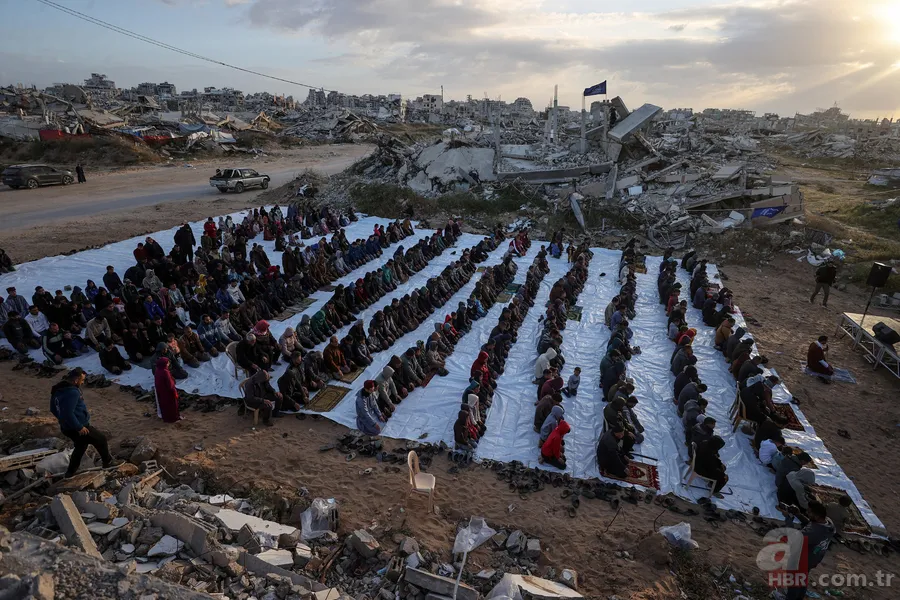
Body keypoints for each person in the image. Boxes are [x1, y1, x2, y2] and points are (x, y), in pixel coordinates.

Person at [50, 368, 117, 477]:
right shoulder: (72, 392)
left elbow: (53, 409)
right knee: (101, 439)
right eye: (82, 380)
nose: (83, 382)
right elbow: (68, 412)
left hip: (66, 427)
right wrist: (79, 427)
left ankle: (70, 472)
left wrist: (63, 420)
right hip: (78, 427)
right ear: (76, 380)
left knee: (81, 446)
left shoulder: (57, 390)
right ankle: (108, 462)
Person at [782, 502, 834, 600]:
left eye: (810, 512)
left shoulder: (814, 532)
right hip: (814, 558)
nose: (807, 513)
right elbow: (811, 524)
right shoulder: (828, 523)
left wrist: (788, 518)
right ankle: (799, 597)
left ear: (817, 516)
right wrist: (798, 514)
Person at [154, 357, 182, 423]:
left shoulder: (158, 370)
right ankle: (174, 418)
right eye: (167, 363)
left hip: (160, 391)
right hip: (167, 392)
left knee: (164, 405)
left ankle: (166, 417)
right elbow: (170, 384)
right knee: (172, 405)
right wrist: (174, 391)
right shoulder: (165, 372)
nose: (168, 364)